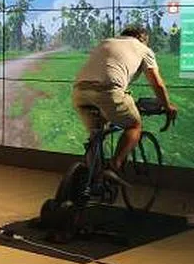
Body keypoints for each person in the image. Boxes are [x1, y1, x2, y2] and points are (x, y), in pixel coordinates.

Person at [72, 25, 176, 187]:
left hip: (79, 91)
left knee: (96, 134)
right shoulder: (143, 49)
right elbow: (157, 84)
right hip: (108, 91)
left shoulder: (105, 42)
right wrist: (167, 106)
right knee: (134, 125)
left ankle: (95, 180)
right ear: (142, 39)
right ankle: (114, 165)